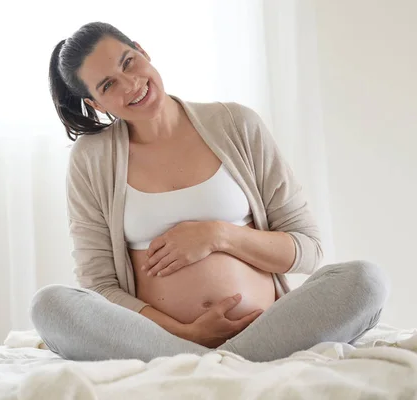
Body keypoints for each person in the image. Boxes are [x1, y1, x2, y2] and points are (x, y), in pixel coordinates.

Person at [29, 22, 390, 363]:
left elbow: (308, 250)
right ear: (95, 104)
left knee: (365, 279)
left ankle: (211, 363)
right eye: (108, 85)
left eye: (129, 62)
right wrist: (187, 333)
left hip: (268, 329)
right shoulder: (91, 159)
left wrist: (218, 236)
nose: (131, 84)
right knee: (49, 305)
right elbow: (100, 287)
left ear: (143, 52)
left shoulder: (236, 124)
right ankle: (205, 361)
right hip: (165, 340)